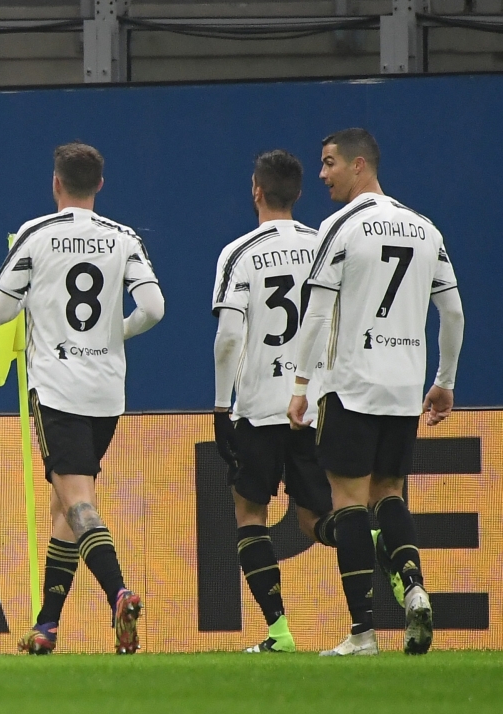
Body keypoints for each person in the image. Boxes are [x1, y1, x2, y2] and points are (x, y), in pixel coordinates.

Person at [288, 128, 464, 656]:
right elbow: (452, 311)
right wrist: (445, 382)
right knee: (388, 491)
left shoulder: (339, 226)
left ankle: (363, 632)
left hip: (351, 381)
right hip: (405, 385)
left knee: (348, 504)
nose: (322, 175)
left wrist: (299, 385)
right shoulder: (425, 228)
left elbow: (317, 312)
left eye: (329, 163)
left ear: (359, 164)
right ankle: (413, 589)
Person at [0, 142, 164, 655]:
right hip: (108, 391)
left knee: (77, 501)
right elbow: (153, 308)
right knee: (64, 507)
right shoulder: (123, 237)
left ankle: (119, 591)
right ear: (100, 186)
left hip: (58, 386)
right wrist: (113, 334)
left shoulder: (35, 234)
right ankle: (47, 624)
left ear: (56, 183)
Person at [212, 149, 335, 654]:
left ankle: (279, 631)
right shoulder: (324, 244)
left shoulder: (240, 251)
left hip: (261, 404)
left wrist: (222, 407)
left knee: (249, 511)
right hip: (313, 404)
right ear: (300, 193)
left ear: (257, 191)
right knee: (318, 519)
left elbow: (227, 339)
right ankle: (378, 542)